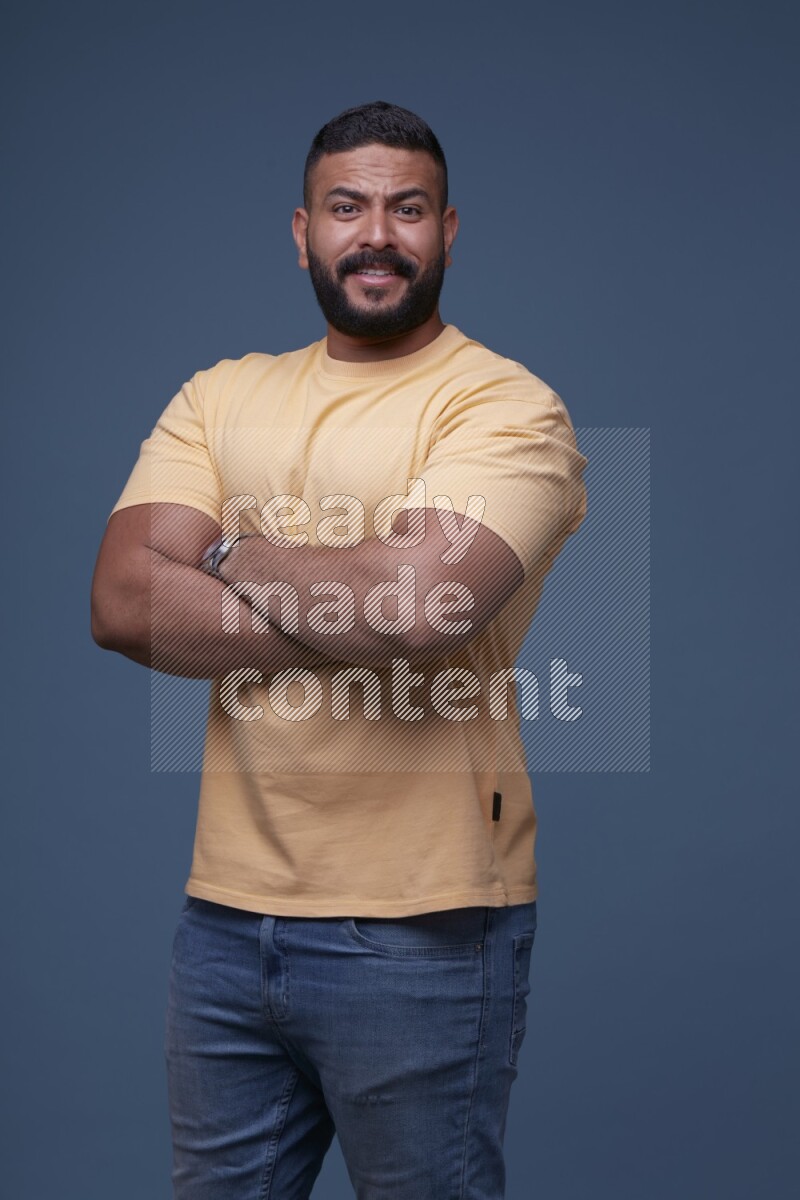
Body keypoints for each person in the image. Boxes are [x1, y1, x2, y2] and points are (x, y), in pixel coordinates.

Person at [91, 100, 588, 1200]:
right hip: (224, 918)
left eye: (406, 209)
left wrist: (220, 550)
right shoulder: (221, 396)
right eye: (346, 208)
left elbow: (422, 610)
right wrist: (344, 596)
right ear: (301, 230)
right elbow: (124, 601)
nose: (376, 235)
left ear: (448, 229)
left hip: (426, 929)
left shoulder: (502, 406)